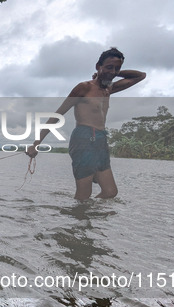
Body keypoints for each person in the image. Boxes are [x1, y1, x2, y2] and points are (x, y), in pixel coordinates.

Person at [27, 48, 146, 201]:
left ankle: (89, 219)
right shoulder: (84, 88)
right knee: (84, 195)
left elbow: (141, 76)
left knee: (110, 192)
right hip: (84, 138)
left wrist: (114, 72)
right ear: (98, 66)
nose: (113, 71)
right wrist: (36, 144)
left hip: (101, 140)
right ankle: (78, 222)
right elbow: (58, 115)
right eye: (109, 67)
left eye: (117, 68)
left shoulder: (109, 89)